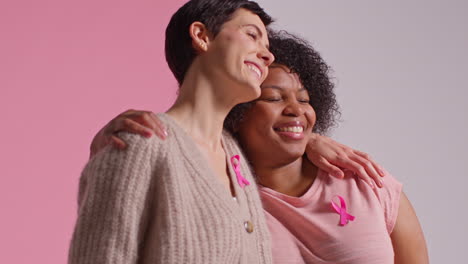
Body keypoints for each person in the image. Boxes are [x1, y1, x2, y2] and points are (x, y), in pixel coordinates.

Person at [92, 31, 429, 263]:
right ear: (236, 111)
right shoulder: (222, 198)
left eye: (304, 99)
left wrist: (306, 138)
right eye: (273, 98)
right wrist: (108, 138)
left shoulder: (366, 180)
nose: (296, 110)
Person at [69, 1, 277, 263]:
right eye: (251, 35)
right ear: (202, 36)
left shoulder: (238, 157)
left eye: (268, 48)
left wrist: (314, 143)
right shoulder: (139, 141)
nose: (268, 56)